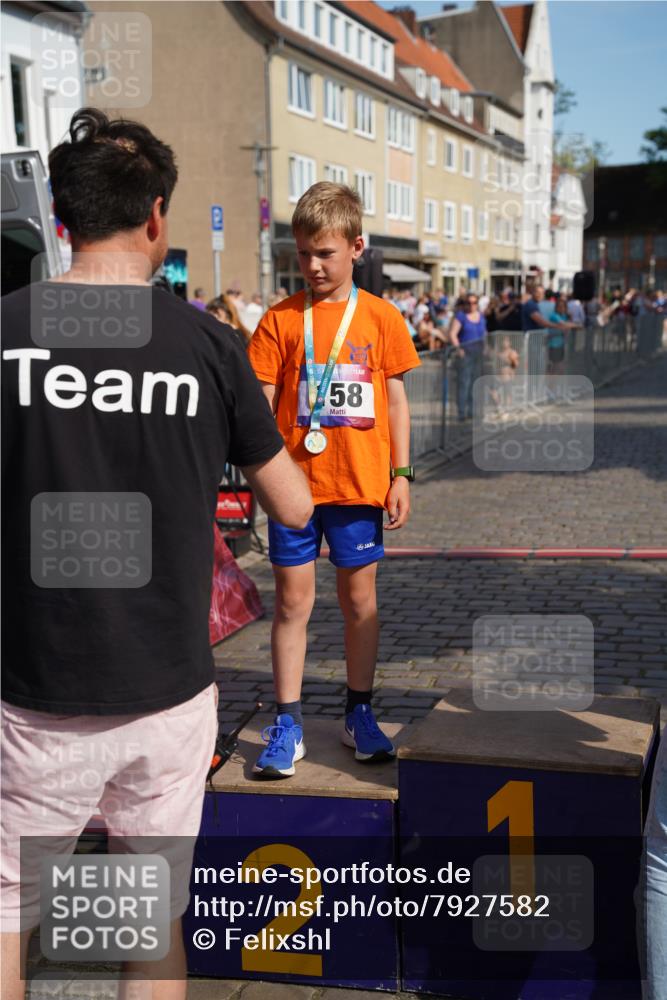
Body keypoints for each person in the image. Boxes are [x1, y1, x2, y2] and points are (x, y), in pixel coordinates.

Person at [0, 107, 313, 1000]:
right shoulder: (208, 345)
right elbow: (290, 502)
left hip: (33, 688)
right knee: (145, 922)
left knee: (10, 911)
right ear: (157, 217)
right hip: (167, 690)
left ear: (61, 218)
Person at [247, 181, 420, 779]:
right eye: (303, 254)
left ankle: (359, 712)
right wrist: (263, 478)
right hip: (294, 490)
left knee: (359, 602)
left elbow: (395, 401)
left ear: (356, 247)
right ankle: (288, 720)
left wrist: (401, 472)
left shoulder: (382, 316)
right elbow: (261, 404)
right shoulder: (279, 320)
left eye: (324, 252)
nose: (313, 265)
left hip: (359, 483)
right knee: (293, 602)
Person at [448, 292, 487, 421]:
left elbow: (484, 334)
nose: (471, 305)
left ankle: (472, 411)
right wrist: (459, 349)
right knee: (464, 383)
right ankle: (461, 413)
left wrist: (487, 347)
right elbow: (453, 334)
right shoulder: (461, 316)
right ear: (464, 304)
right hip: (465, 355)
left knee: (475, 383)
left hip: (478, 354)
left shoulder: (481, 316)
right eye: (468, 303)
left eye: (474, 303)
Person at [546, 293, 578, 374]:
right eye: (560, 306)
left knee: (559, 368)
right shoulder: (554, 315)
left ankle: (555, 385)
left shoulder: (563, 315)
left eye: (563, 306)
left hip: (561, 345)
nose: (562, 308)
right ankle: (551, 386)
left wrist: (571, 320)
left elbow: (569, 324)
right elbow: (564, 324)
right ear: (556, 307)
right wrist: (576, 325)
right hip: (553, 345)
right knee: (555, 368)